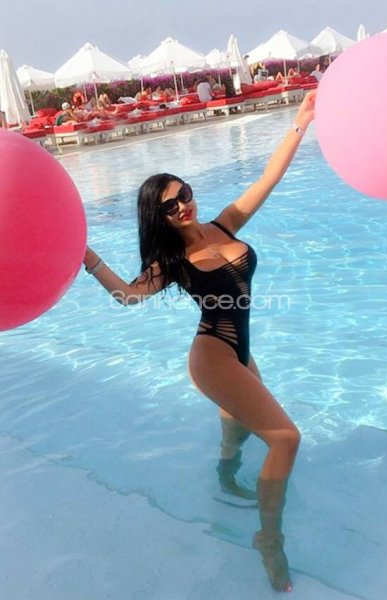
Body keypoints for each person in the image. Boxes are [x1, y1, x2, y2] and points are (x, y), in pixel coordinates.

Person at [83, 91, 316, 593]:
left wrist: (300, 122)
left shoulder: (223, 224)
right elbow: (127, 296)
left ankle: (225, 471)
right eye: (170, 205)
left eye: (184, 193)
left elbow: (268, 178)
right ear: (159, 217)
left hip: (240, 352)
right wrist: (88, 257)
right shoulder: (169, 262)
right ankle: (269, 540)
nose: (183, 206)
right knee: (285, 438)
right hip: (212, 355)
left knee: (239, 429)